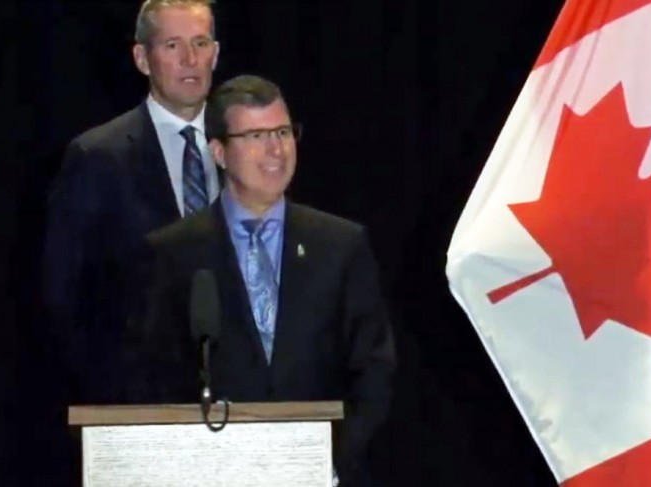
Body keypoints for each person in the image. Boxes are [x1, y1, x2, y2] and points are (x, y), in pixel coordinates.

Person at [126, 74, 396, 486]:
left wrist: (326, 461)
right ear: (218, 151)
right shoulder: (174, 253)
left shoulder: (341, 245)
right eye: (255, 135)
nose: (276, 150)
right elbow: (153, 377)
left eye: (283, 132)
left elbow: (374, 370)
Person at [42, 0, 221, 403]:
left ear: (216, 52)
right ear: (142, 58)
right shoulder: (97, 156)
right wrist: (110, 392)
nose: (190, 59)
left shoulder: (246, 145)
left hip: (244, 402)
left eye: (200, 42)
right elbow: (64, 294)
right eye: (172, 45)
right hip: (134, 403)